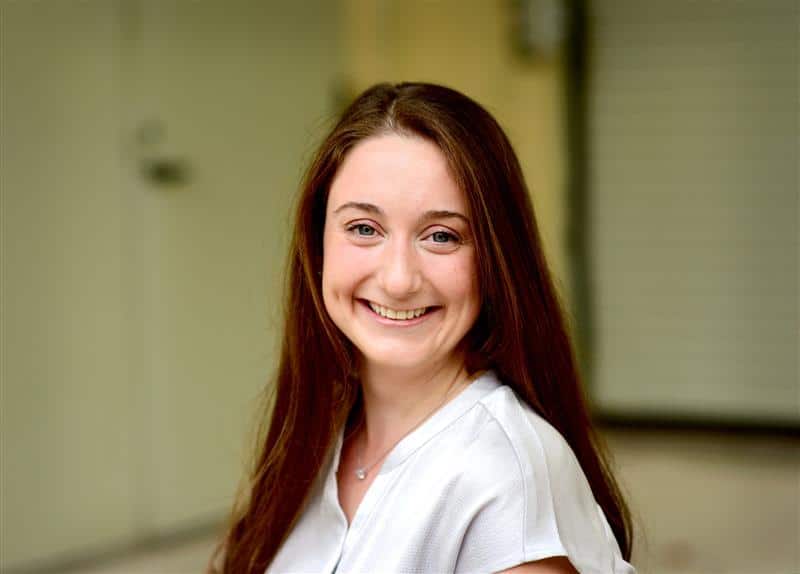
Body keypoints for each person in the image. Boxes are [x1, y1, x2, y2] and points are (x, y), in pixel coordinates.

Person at [211, 82, 635, 573]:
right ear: (318, 242)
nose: (397, 279)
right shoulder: (318, 430)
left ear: (497, 260)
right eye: (364, 229)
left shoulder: (505, 474)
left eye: (441, 236)